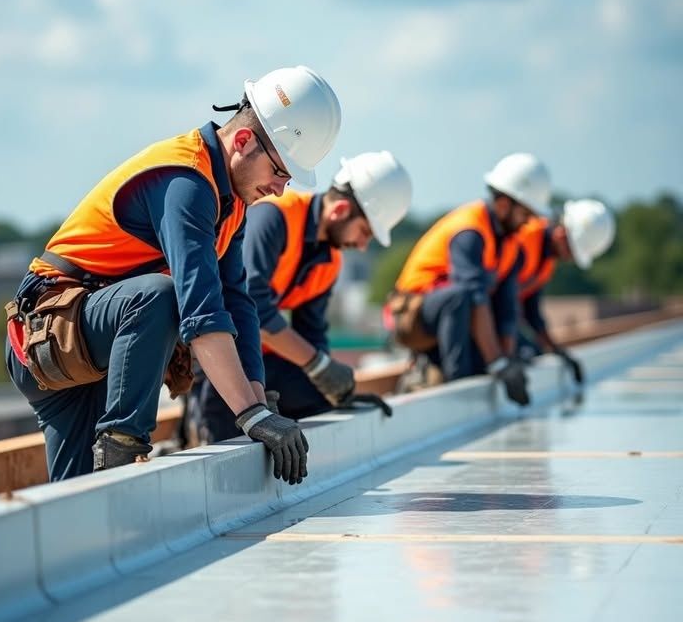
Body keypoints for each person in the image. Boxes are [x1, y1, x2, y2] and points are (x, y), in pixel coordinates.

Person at [5, 66, 342, 485]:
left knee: (74, 502)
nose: (280, 190)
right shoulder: (186, 181)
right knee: (159, 295)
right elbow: (200, 311)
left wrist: (260, 399)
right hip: (53, 334)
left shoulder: (230, 205)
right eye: (279, 172)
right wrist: (250, 415)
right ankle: (123, 443)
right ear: (242, 142)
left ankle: (111, 462)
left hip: (95, 344)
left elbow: (237, 302)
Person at [189, 151, 412, 442]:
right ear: (340, 210)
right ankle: (199, 426)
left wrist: (336, 391)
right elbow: (251, 308)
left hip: (259, 359)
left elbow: (312, 334)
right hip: (216, 353)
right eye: (365, 232)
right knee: (227, 440)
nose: (361, 245)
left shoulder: (330, 263)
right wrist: (320, 366)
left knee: (317, 402)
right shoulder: (274, 216)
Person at [389, 152, 552, 405]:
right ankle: (457, 383)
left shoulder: (511, 245)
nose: (529, 224)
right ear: (503, 205)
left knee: (488, 332)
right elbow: (472, 296)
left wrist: (508, 362)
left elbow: (507, 309)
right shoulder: (470, 230)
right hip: (412, 316)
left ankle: (452, 370)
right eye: (525, 214)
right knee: (461, 296)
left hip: (453, 318)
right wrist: (497, 363)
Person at [511, 199, 616, 383]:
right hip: (478, 319)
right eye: (571, 251)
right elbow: (497, 300)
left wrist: (557, 351)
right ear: (561, 234)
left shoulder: (546, 261)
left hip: (499, 320)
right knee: (523, 351)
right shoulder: (525, 237)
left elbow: (532, 313)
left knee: (534, 352)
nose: (569, 259)